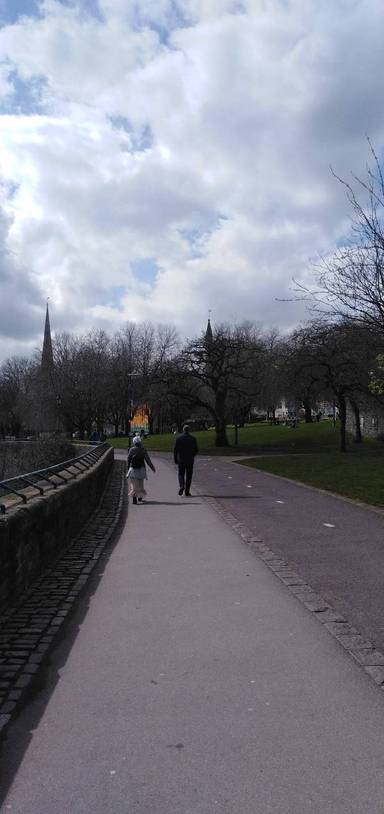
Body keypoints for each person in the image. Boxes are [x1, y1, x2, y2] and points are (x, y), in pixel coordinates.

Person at [127, 436, 156, 504]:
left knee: (134, 484)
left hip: (133, 469)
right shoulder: (143, 450)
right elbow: (147, 460)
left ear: (134, 442)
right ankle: (140, 496)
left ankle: (134, 498)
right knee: (140, 484)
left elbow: (128, 459)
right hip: (141, 469)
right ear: (140, 442)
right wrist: (152, 467)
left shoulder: (131, 450)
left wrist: (128, 468)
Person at [174, 424, 198, 496]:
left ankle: (182, 485)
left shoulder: (179, 438)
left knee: (181, 474)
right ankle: (187, 491)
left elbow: (175, 450)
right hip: (190, 459)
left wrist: (175, 459)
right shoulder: (193, 439)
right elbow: (196, 449)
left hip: (181, 459)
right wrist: (192, 455)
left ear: (183, 430)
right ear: (189, 430)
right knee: (189, 475)